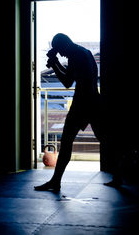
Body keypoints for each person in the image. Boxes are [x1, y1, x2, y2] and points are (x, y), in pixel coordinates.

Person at [34, 33, 101, 192]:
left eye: (59, 50)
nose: (60, 53)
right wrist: (56, 63)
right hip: (94, 100)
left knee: (66, 142)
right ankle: (118, 176)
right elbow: (70, 77)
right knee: (106, 138)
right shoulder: (83, 52)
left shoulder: (76, 56)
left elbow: (66, 82)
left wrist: (55, 62)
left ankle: (55, 182)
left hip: (82, 103)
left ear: (64, 45)